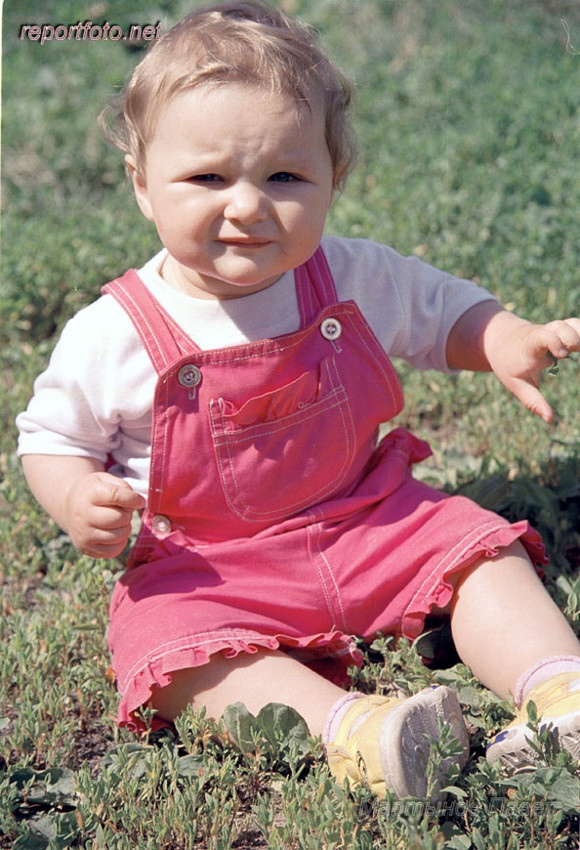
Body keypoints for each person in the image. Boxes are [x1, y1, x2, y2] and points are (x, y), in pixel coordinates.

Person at [16, 0, 580, 800]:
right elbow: (49, 437)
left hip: (367, 518)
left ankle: (561, 694)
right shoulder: (116, 330)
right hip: (210, 567)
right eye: (207, 178)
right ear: (143, 186)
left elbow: (437, 311)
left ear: (332, 180)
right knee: (169, 646)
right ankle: (362, 734)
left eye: (284, 176)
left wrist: (500, 338)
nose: (246, 205)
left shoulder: (341, 277)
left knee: (478, 548)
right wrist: (74, 494)